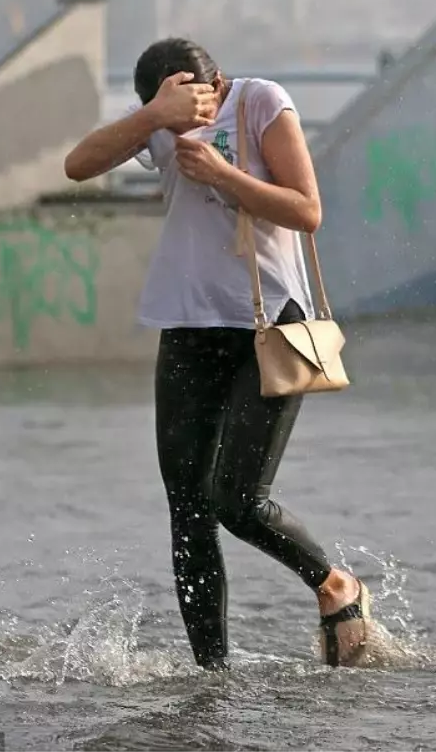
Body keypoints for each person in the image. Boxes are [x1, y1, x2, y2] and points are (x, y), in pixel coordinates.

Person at [63, 38, 371, 671]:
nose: (196, 114)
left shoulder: (261, 102)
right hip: (187, 321)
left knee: (238, 498)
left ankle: (336, 584)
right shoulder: (158, 121)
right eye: (180, 103)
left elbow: (307, 210)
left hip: (269, 324)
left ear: (220, 81)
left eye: (203, 98)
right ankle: (213, 674)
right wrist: (155, 118)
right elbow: (76, 165)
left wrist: (223, 174)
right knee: (188, 506)